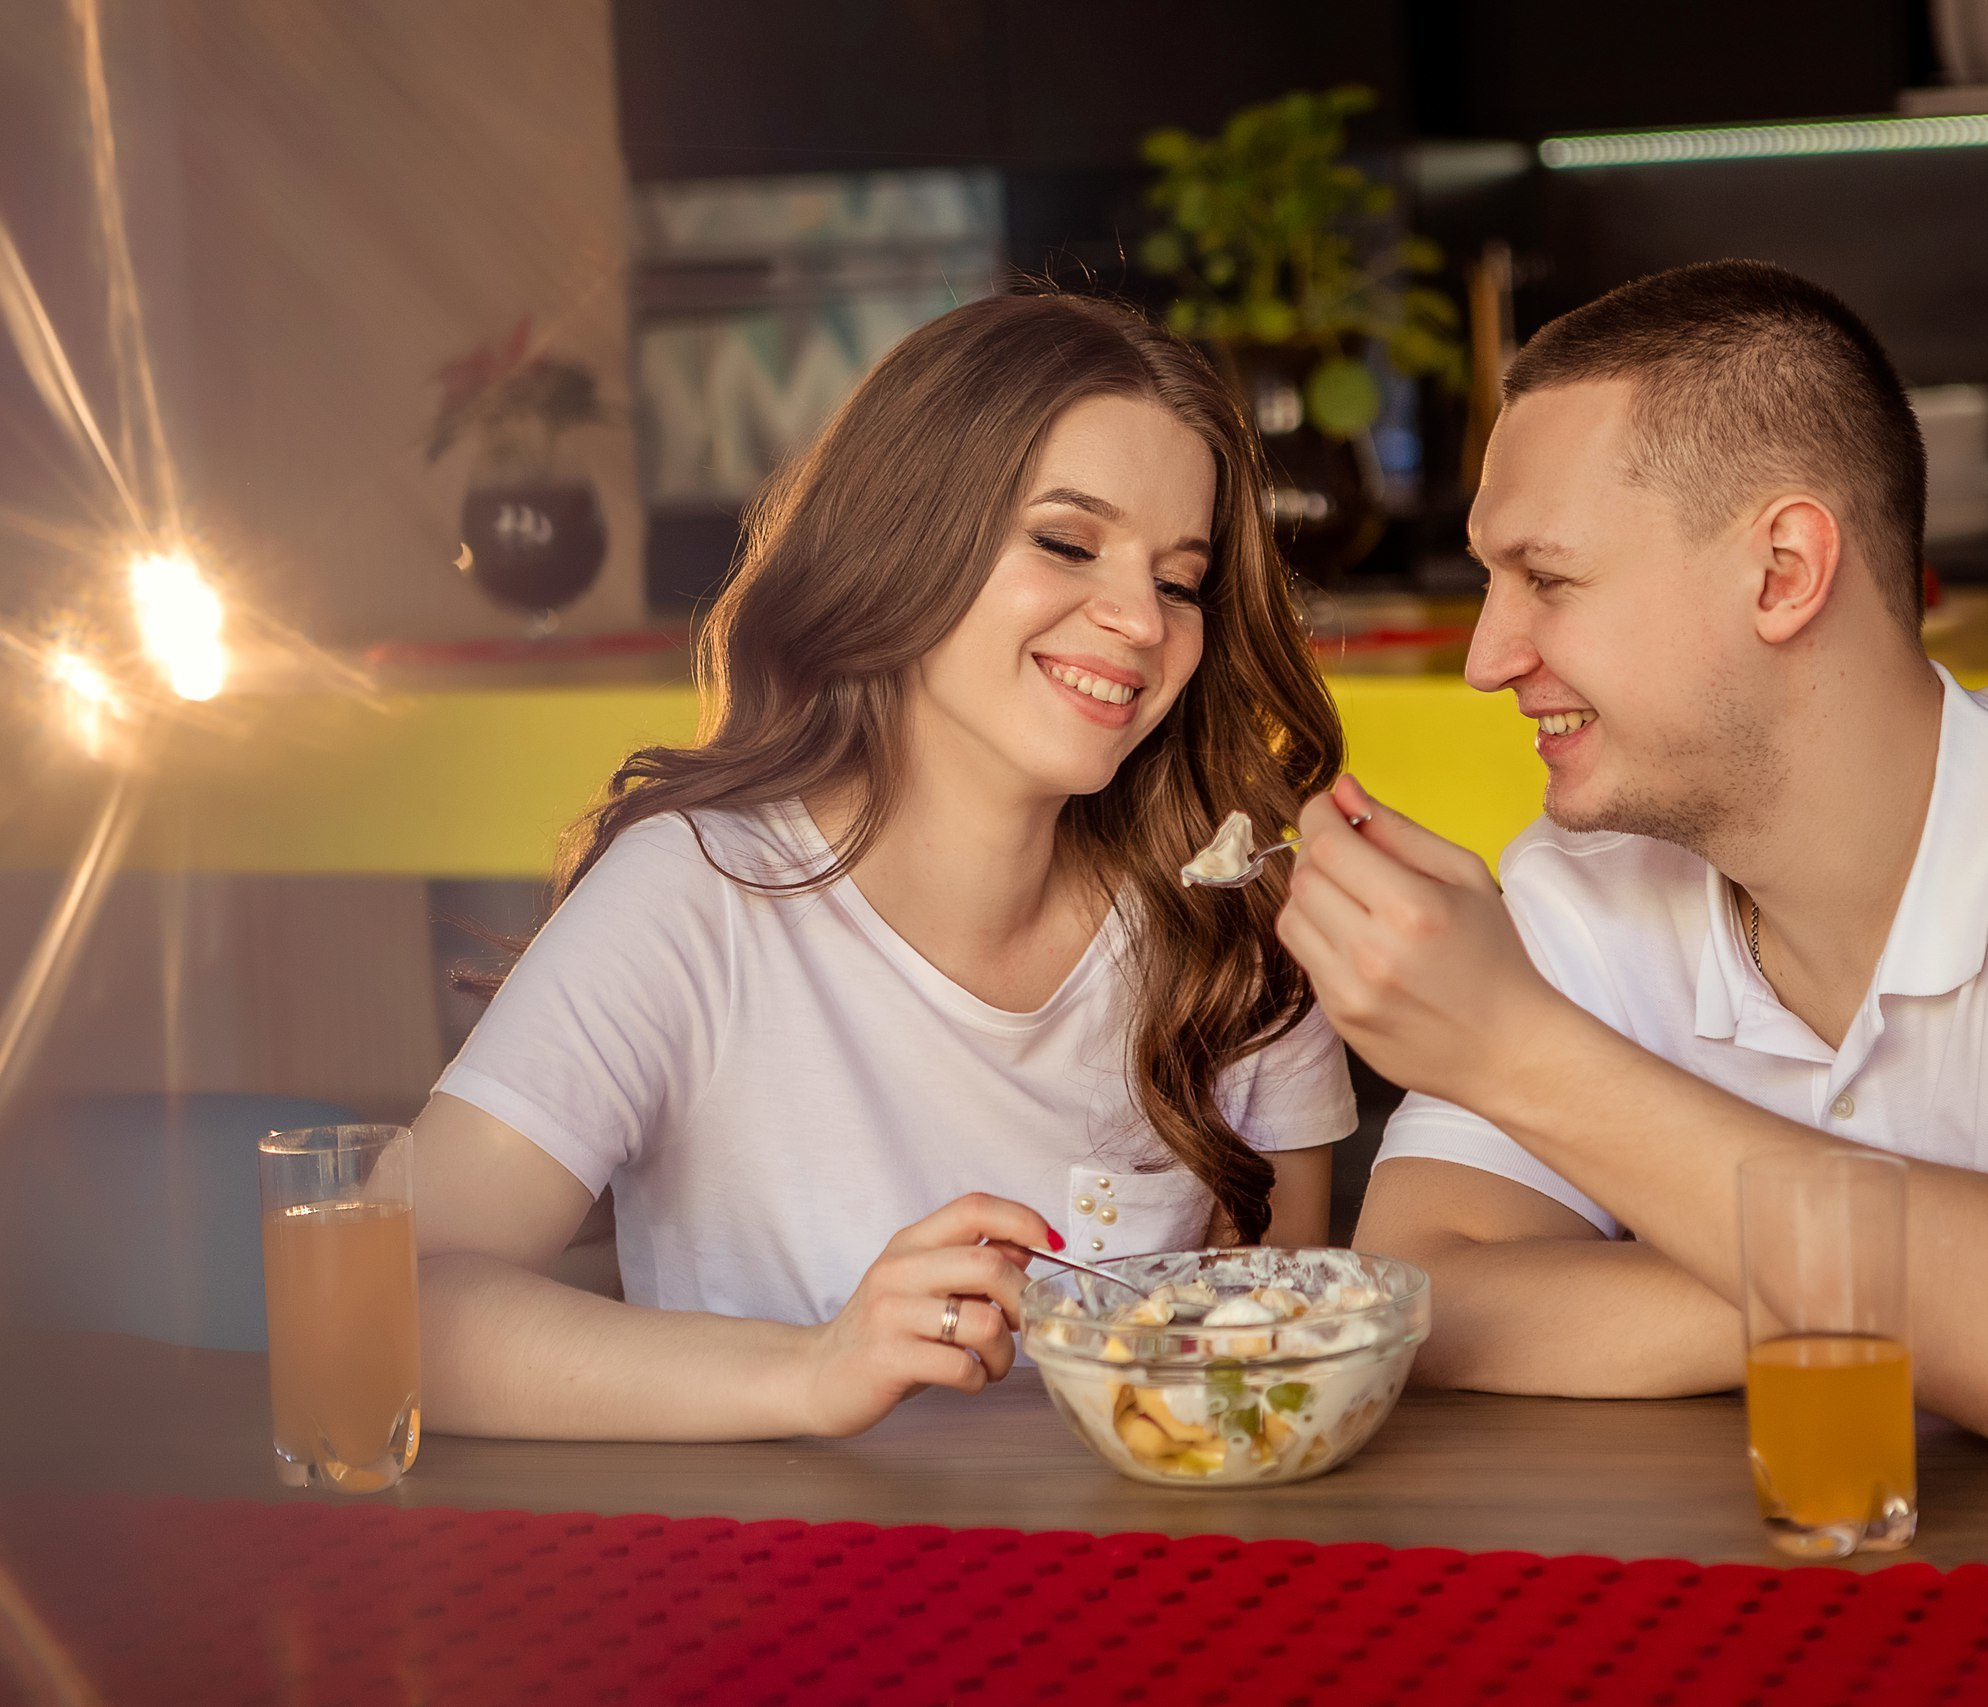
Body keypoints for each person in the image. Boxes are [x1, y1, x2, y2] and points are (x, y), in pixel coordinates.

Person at [1280, 261, 1988, 1472]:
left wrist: (1508, 1044)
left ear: (1783, 572)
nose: (1487, 657)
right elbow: (1417, 1301)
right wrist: (1940, 1320)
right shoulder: (1591, 885)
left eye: (1547, 580)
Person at [414, 292, 1354, 1442]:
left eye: (1178, 580)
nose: (1140, 621)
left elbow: (1280, 1390)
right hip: (771, 1598)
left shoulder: (1232, 935)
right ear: (903, 539)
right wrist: (815, 1373)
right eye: (1066, 542)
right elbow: (387, 1307)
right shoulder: (696, 895)